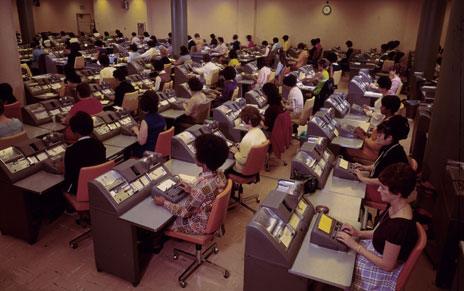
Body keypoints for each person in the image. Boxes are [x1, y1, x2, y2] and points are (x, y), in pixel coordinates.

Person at [336, 163, 418, 291]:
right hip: (378, 250)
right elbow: (380, 232)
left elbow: (387, 265)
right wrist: (358, 233)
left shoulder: (399, 226)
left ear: (398, 194)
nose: (379, 190)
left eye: (383, 188)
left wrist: (356, 246)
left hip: (382, 271)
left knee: (340, 265)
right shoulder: (395, 205)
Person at [154, 133, 228, 234]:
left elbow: (184, 213)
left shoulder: (201, 189)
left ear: (204, 160)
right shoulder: (221, 174)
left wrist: (164, 202)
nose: (194, 154)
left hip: (198, 225)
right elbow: (208, 194)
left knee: (163, 220)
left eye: (196, 152)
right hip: (210, 217)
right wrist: (191, 190)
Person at [353, 115, 410, 186]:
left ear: (389, 138)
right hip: (378, 182)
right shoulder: (388, 147)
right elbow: (378, 166)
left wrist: (362, 178)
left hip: (384, 189)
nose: (377, 136)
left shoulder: (394, 154)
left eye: (380, 135)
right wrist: (364, 167)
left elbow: (383, 181)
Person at [347, 95, 402, 162]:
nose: (380, 108)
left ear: (388, 109)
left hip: (374, 153)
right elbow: (377, 137)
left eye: (382, 106)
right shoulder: (389, 119)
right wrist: (366, 133)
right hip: (372, 148)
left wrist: (363, 137)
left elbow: (376, 146)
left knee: (347, 149)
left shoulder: (388, 126)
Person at [64, 111, 106, 195]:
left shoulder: (71, 150)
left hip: (78, 191)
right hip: (98, 186)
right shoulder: (99, 144)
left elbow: (68, 176)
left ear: (74, 131)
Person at [230, 106, 267, 174]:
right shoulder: (260, 132)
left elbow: (243, 161)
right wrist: (241, 145)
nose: (242, 122)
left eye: (242, 120)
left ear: (248, 121)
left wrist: (236, 152)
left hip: (243, 170)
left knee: (227, 167)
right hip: (256, 167)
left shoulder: (247, 139)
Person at [131, 91, 166, 157]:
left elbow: (141, 142)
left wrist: (137, 131)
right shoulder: (161, 118)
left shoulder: (145, 121)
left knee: (130, 149)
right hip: (158, 150)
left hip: (148, 152)